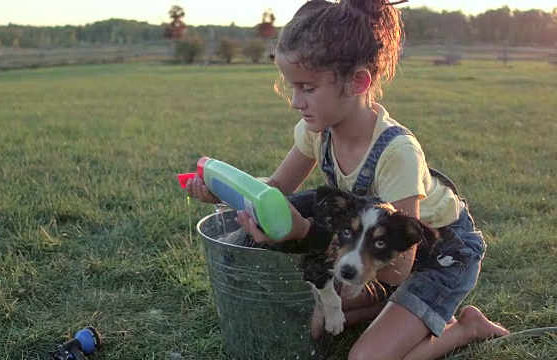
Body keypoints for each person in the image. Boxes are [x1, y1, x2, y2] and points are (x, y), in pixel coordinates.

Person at [187, 0, 509, 358]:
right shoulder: (318, 132)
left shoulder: (397, 153)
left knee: (364, 358)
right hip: (373, 250)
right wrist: (221, 190)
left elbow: (400, 268)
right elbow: (276, 190)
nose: (296, 101)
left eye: (307, 88)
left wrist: (306, 234)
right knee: (318, 322)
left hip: (438, 254)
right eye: (291, 87)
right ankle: (389, 312)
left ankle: (466, 327)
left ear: (358, 81)